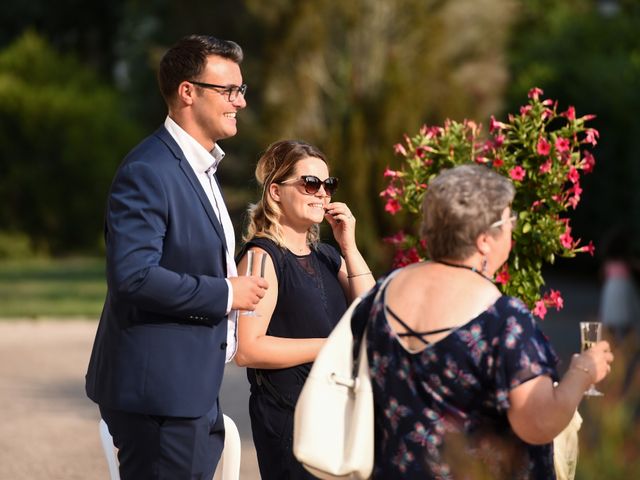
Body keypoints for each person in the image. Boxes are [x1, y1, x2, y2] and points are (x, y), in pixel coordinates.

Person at [85, 35, 268, 479]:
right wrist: (227, 293)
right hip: (158, 399)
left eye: (241, 91)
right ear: (188, 92)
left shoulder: (200, 166)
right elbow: (134, 276)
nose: (239, 102)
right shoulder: (149, 170)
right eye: (229, 91)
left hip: (189, 391)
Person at [360, 164, 614, 479]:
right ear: (484, 239)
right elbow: (538, 422)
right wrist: (583, 371)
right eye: (509, 220)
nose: (513, 228)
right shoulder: (502, 318)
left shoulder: (383, 290)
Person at [234, 139, 375, 479]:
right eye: (310, 183)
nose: (322, 193)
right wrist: (330, 347)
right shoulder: (261, 257)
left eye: (329, 185)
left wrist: (349, 246)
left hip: (336, 410)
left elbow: (372, 312)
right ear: (276, 191)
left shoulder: (327, 255)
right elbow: (248, 349)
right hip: (291, 418)